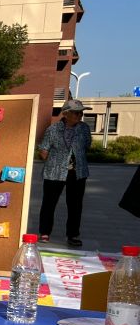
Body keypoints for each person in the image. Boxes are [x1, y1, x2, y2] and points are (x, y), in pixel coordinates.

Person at [37, 98, 92, 247]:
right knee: (49, 203)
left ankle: (73, 235)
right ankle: (44, 232)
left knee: (75, 205)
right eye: (76, 113)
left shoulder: (84, 128)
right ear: (66, 113)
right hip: (54, 171)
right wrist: (55, 161)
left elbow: (87, 146)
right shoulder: (53, 129)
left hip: (78, 172)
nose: (79, 115)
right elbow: (43, 150)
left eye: (81, 113)